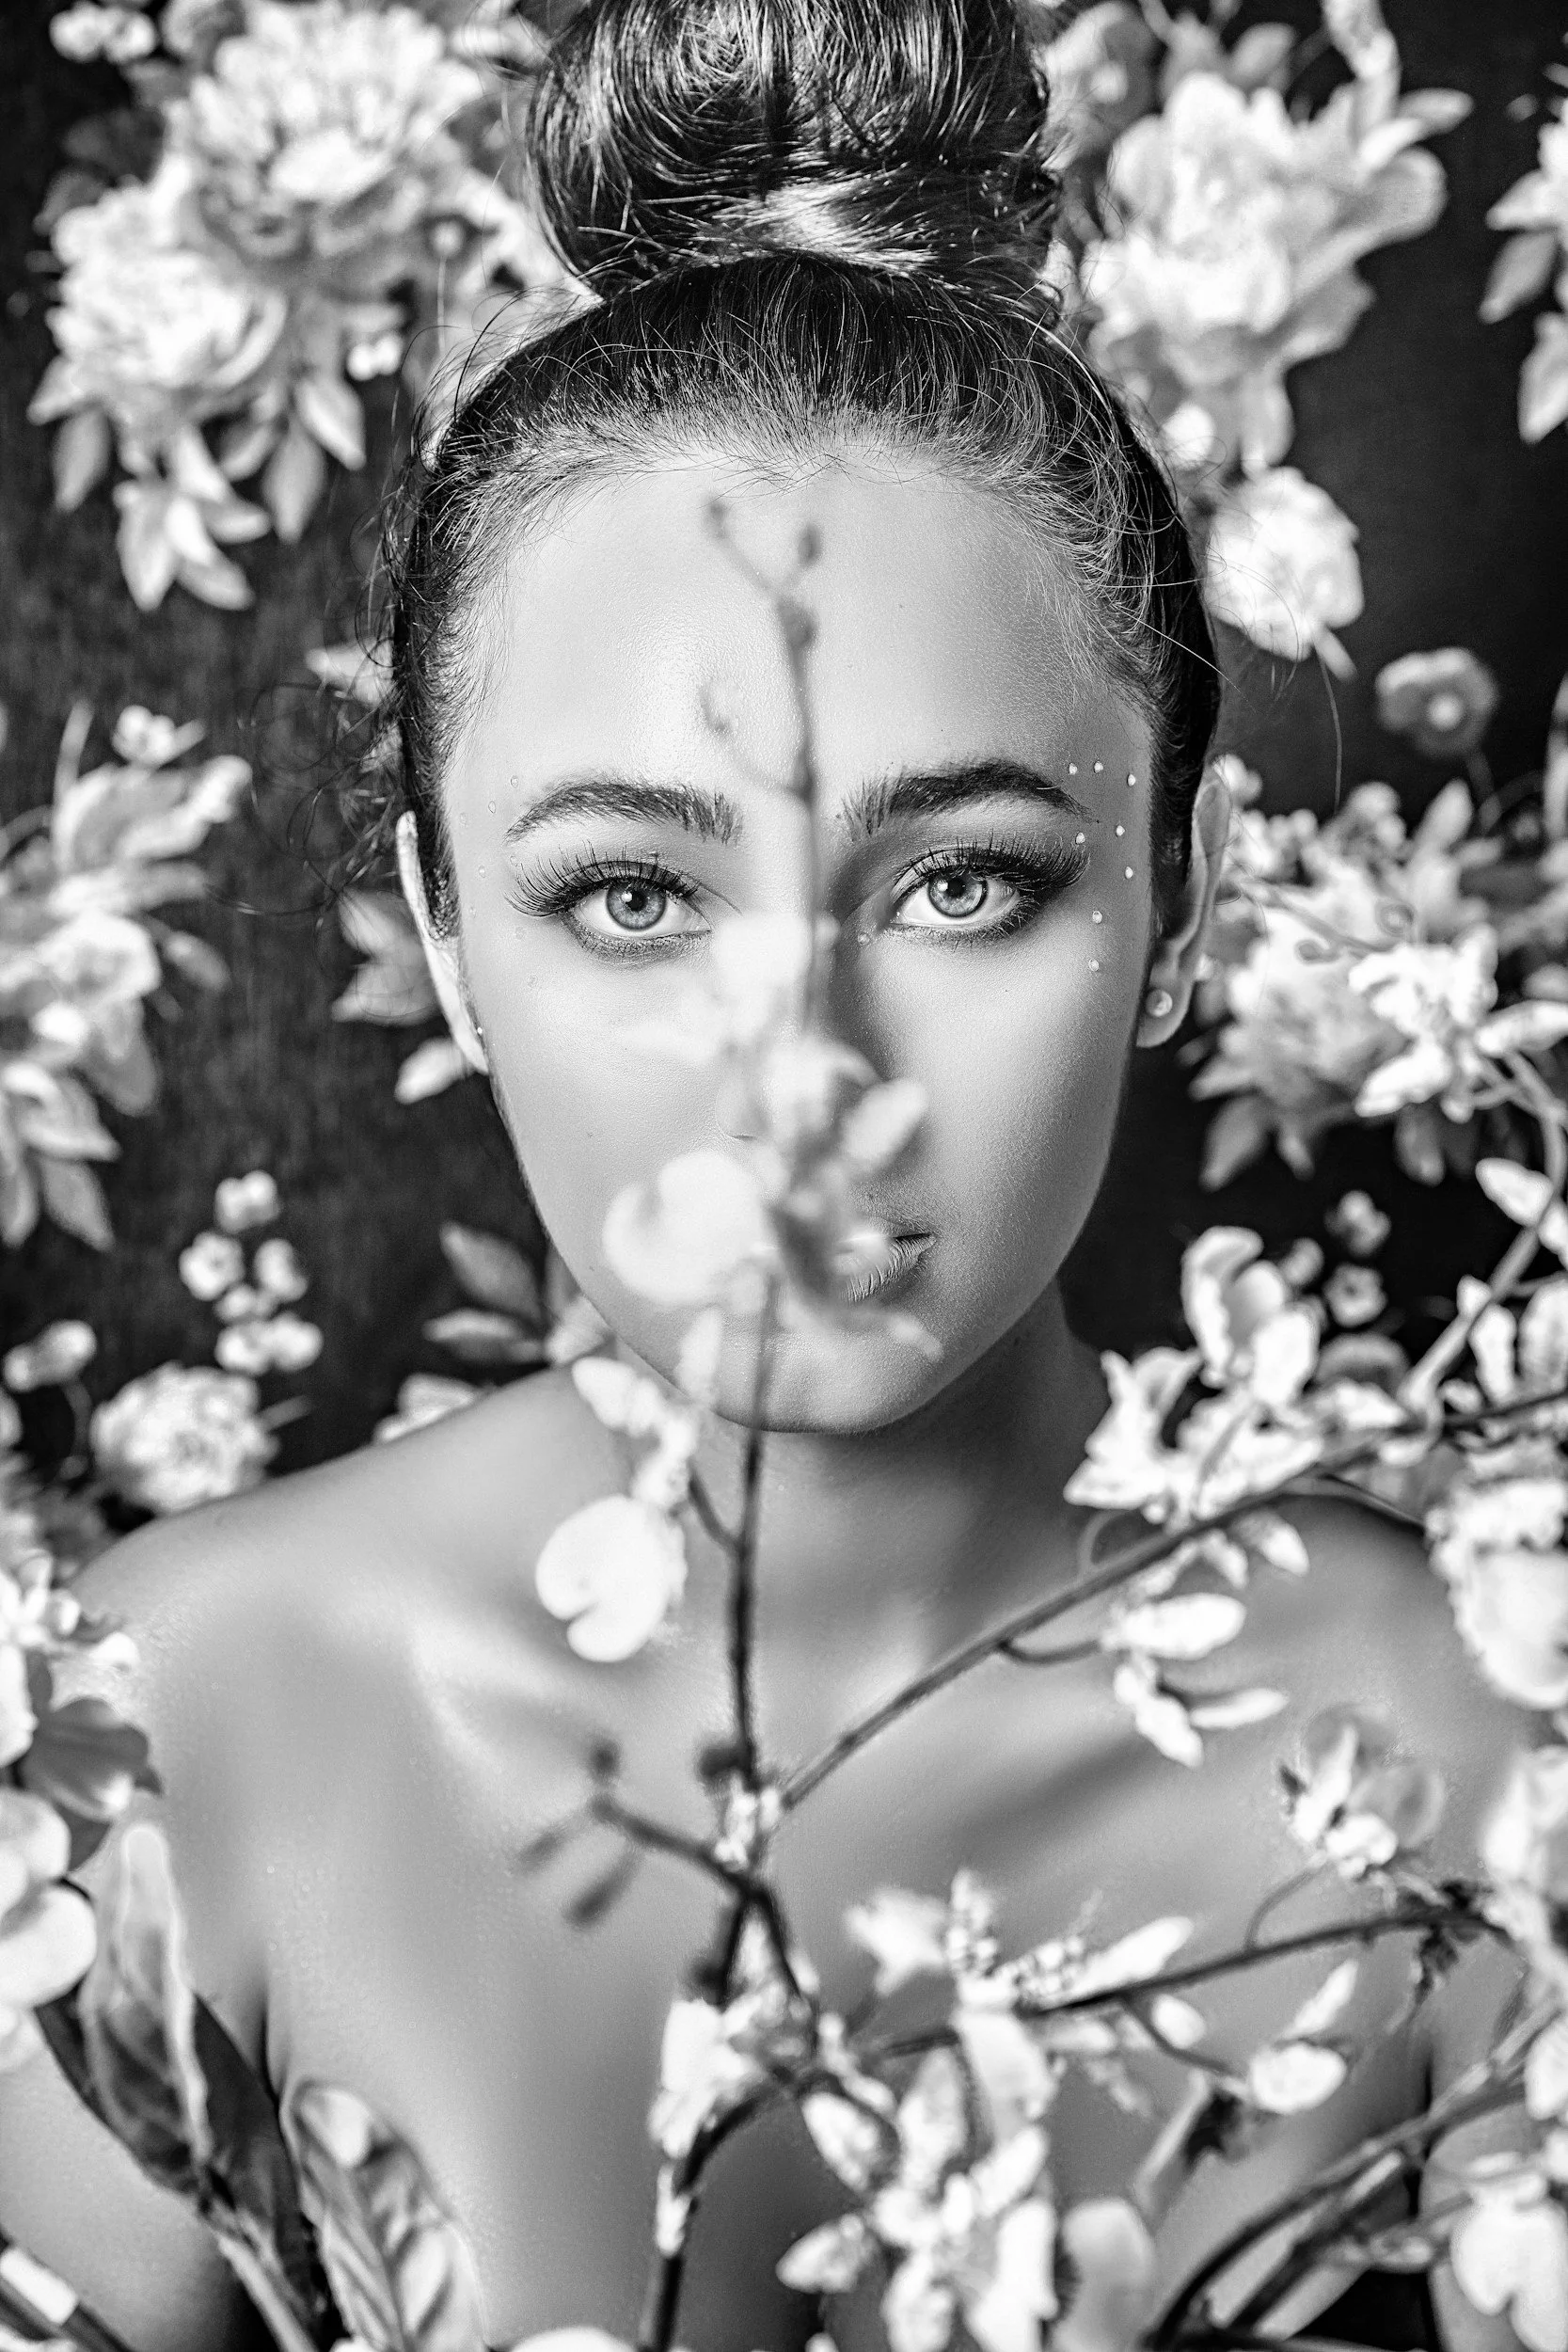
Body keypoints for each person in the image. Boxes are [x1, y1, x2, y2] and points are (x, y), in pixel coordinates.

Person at [0, 3, 1530, 2349]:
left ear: (1182, 902)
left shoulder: (1479, 1762)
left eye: (962, 884)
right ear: (444, 936)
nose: (802, 1076)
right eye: (630, 894)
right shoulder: (156, 1738)